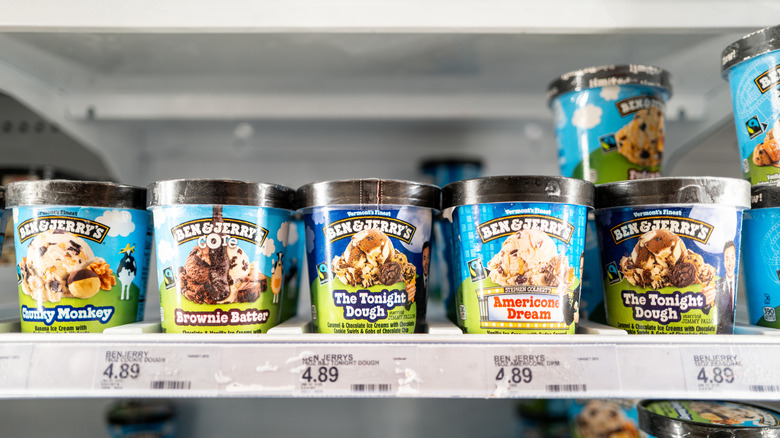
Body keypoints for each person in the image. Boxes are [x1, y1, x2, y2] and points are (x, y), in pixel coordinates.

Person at [715, 241, 737, 334]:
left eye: (732, 258)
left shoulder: (741, 283)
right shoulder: (717, 285)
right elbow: (706, 311)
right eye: (727, 259)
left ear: (736, 259)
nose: (730, 263)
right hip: (721, 337)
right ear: (723, 262)